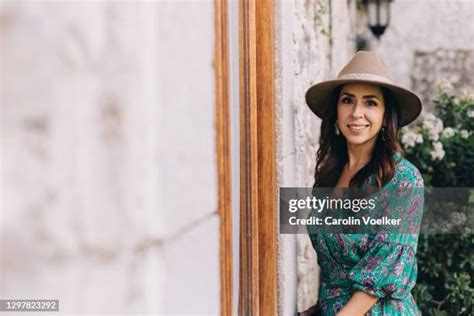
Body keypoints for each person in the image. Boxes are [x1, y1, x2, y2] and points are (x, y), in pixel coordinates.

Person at [301, 51, 424, 315]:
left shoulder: (404, 179)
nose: (357, 113)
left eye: (370, 103)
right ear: (336, 110)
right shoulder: (328, 175)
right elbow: (334, 271)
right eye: (348, 100)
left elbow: (384, 269)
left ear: (385, 116)